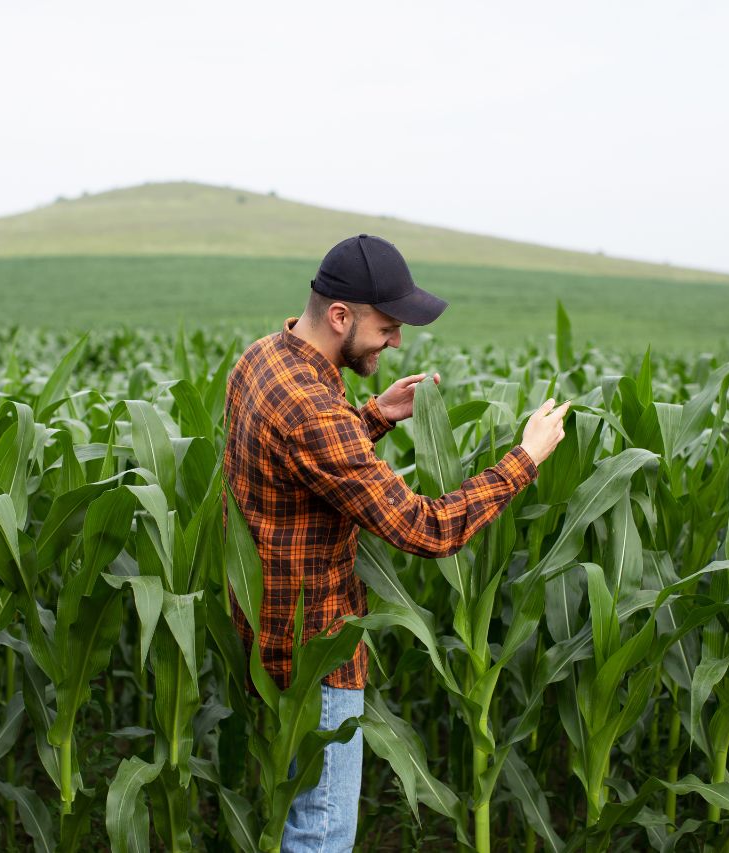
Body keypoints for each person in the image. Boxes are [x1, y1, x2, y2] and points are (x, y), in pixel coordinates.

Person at [223, 234, 570, 852]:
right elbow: (427, 528)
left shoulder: (263, 359)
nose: (396, 342)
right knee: (320, 835)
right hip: (316, 656)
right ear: (340, 315)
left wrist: (374, 416)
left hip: (264, 635)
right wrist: (525, 459)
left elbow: (302, 460)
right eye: (387, 327)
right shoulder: (313, 409)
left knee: (296, 817)